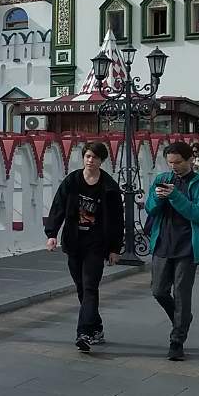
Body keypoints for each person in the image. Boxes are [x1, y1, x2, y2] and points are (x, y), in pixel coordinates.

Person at [45, 141, 124, 353]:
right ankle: (96, 326)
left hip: (96, 244)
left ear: (102, 161)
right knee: (81, 288)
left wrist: (115, 248)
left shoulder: (109, 187)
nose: (90, 160)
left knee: (90, 287)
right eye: (87, 156)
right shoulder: (72, 181)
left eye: (95, 157)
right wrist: (52, 234)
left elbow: (117, 219)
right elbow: (58, 206)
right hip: (74, 241)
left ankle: (84, 333)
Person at [145, 141, 199, 361]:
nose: (174, 167)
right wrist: (157, 197)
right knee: (158, 290)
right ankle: (182, 318)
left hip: (187, 246)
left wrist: (175, 196)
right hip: (163, 243)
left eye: (178, 162)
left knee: (182, 295)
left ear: (190, 160)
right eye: (170, 163)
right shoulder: (162, 179)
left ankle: (177, 340)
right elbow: (149, 208)